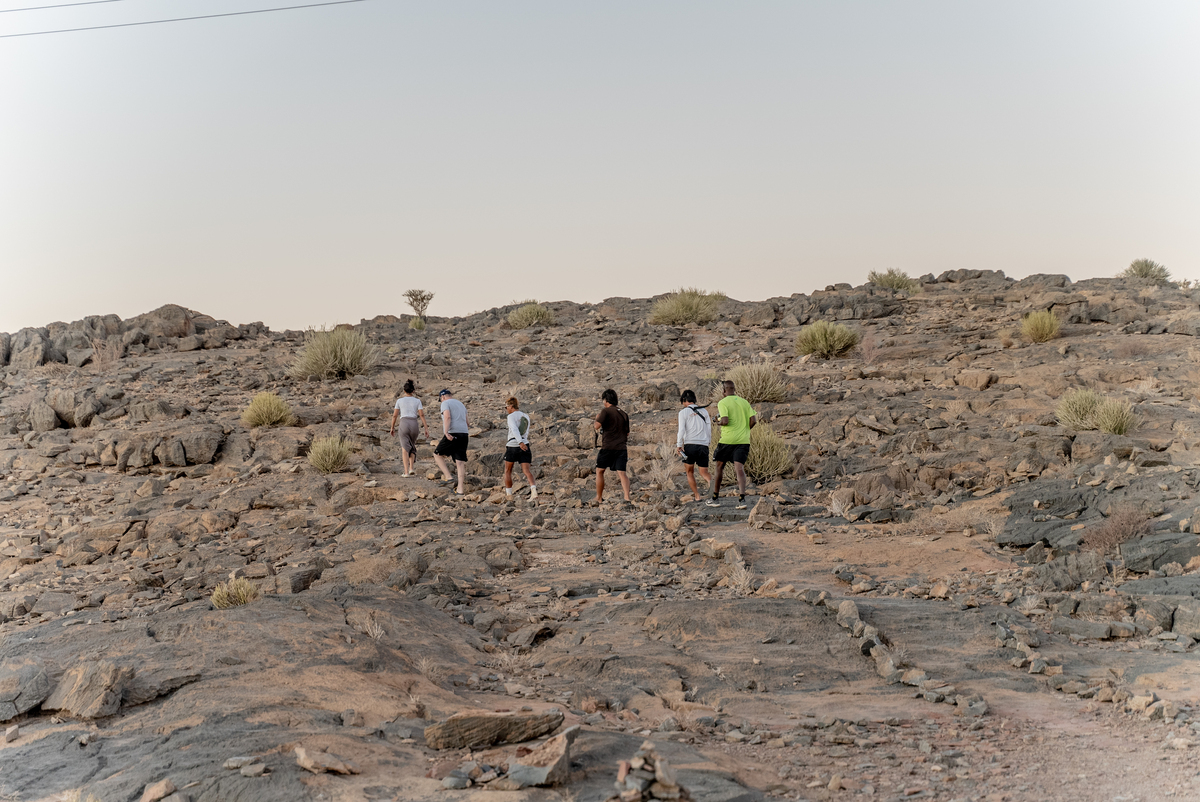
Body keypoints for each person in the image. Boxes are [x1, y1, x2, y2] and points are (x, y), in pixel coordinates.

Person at [707, 380, 756, 509]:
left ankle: (715, 498)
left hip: (727, 440)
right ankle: (742, 499)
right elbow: (753, 420)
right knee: (739, 468)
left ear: (724, 390)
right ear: (734, 389)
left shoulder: (723, 403)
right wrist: (745, 430)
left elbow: (725, 420)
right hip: (743, 441)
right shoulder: (744, 402)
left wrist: (718, 422)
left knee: (719, 466)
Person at [593, 388, 631, 503]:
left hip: (608, 447)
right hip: (621, 448)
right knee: (622, 473)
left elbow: (596, 426)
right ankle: (627, 497)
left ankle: (599, 497)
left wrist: (596, 418)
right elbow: (627, 432)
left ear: (606, 400)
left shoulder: (605, 411)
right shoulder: (624, 414)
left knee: (600, 471)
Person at [675, 389, 713, 502]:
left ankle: (697, 496)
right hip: (703, 445)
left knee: (689, 472)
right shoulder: (704, 411)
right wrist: (708, 442)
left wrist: (678, 444)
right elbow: (709, 428)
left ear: (684, 400)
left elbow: (681, 430)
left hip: (690, 445)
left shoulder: (683, 413)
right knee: (704, 472)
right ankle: (712, 485)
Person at [389, 379, 429, 477]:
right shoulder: (417, 401)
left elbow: (395, 415)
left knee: (404, 448)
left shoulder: (399, 401)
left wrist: (392, 427)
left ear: (404, 391)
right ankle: (411, 468)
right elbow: (422, 415)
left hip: (404, 423)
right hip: (414, 423)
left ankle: (406, 472)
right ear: (413, 391)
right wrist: (426, 428)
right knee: (412, 445)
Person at [433, 388, 469, 495]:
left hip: (452, 433)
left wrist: (446, 432)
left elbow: (447, 416)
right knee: (460, 462)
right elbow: (468, 422)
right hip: (464, 433)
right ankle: (460, 490)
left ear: (442, 397)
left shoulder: (445, 403)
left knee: (437, 454)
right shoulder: (461, 404)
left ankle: (448, 477)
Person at [503, 397, 538, 500]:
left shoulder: (511, 416)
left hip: (513, 444)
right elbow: (525, 431)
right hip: (525, 444)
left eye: (506, 407)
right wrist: (523, 442)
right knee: (527, 471)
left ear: (511, 406)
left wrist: (519, 442)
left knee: (508, 470)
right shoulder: (525, 416)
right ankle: (534, 491)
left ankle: (509, 494)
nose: (506, 409)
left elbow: (514, 429)